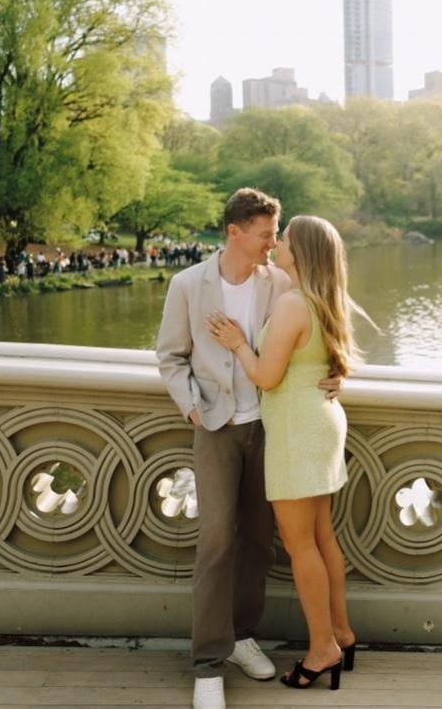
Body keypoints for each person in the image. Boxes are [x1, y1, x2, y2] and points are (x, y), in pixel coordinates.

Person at [156, 189, 340, 709]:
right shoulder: (187, 285)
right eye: (265, 235)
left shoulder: (279, 281)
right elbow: (170, 357)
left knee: (260, 543)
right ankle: (208, 664)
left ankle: (241, 637)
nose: (273, 244)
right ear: (234, 232)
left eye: (276, 235)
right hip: (216, 428)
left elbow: (325, 319)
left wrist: (337, 370)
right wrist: (192, 407)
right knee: (216, 542)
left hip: (272, 429)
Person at [207, 215, 366, 693]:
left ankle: (322, 649)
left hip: (297, 431)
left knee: (301, 546)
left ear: (302, 253)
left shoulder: (294, 303)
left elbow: (266, 376)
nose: (278, 244)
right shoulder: (324, 299)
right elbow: (322, 361)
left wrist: (238, 343)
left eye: (286, 240)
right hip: (320, 424)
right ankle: (342, 634)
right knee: (322, 537)